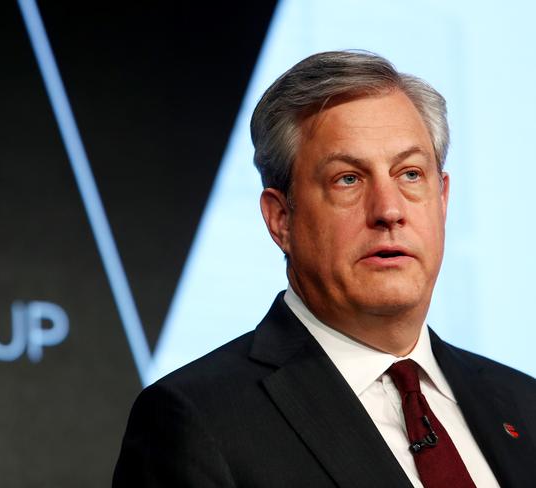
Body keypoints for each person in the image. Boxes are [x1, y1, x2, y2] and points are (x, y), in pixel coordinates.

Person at [112, 51, 536, 487]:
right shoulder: (196, 420)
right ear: (281, 219)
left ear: (442, 200)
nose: (389, 210)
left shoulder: (523, 403)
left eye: (410, 174)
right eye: (348, 179)